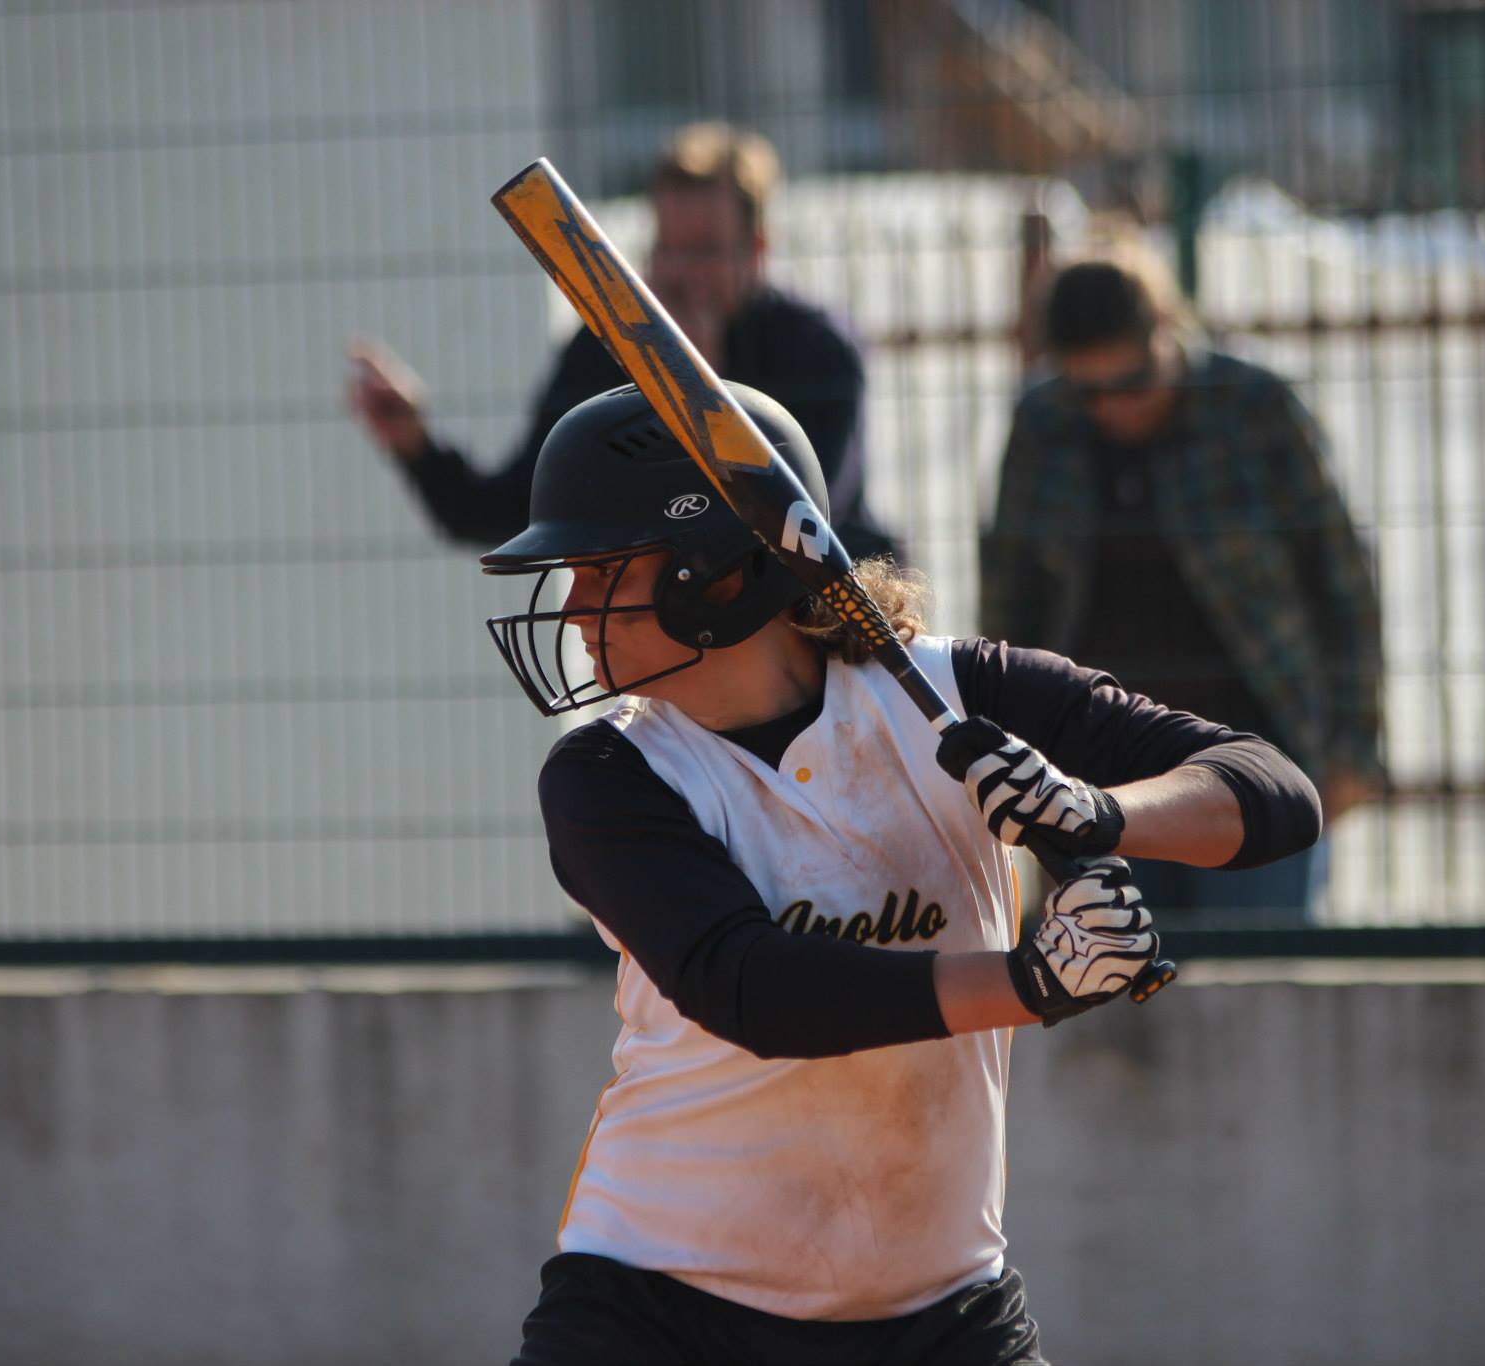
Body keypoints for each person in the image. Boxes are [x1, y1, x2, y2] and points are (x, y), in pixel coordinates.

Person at [482, 382, 1321, 1364]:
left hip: (939, 1309)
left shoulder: (959, 693)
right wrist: (1033, 981)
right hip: (657, 1305)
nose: (575, 609)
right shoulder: (608, 772)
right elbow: (752, 989)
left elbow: (1273, 792)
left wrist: (1093, 811)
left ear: (719, 574)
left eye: (600, 570)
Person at [981, 242, 1383, 925]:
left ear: (1168, 328)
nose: (1114, 408)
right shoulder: (1045, 423)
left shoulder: (1252, 407)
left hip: (1255, 756)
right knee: (1117, 969)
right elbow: (1010, 596)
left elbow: (1341, 578)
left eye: (1133, 381)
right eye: (1089, 391)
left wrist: (1354, 744)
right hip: (1103, 771)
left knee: (1255, 969)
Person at [349, 121, 900, 561]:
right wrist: (417, 446)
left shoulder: (818, 350)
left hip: (818, 629)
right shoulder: (608, 348)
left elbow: (802, 525)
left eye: (704, 250)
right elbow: (516, 508)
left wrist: (701, 386)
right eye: (667, 249)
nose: (680, 273)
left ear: (755, 249)